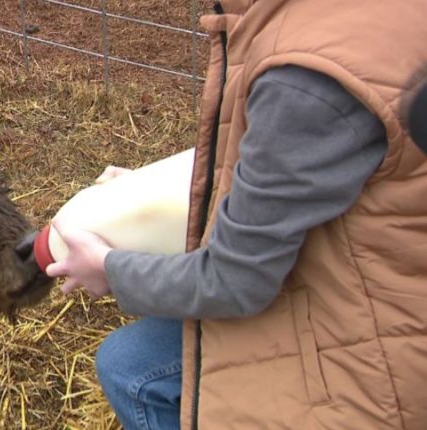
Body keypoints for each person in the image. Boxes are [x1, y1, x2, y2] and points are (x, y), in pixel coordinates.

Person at [44, 1, 427, 429]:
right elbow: (299, 164)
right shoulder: (341, 18)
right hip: (390, 264)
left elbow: (236, 280)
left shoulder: (306, 76)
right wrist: (151, 190)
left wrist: (110, 270)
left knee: (132, 368)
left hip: (378, 352)